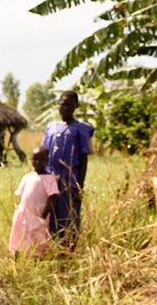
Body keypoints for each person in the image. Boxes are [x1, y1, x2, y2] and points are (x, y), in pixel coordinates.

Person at [41, 90, 94, 247]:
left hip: (69, 178)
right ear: (58, 104)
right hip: (50, 176)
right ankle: (48, 247)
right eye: (63, 104)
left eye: (70, 105)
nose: (66, 108)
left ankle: (68, 249)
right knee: (49, 213)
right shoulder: (51, 127)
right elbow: (43, 154)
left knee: (68, 213)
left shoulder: (80, 129)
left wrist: (79, 186)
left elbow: (83, 158)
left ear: (76, 106)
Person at [9, 146, 60, 257]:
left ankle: (37, 260)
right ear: (30, 160)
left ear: (47, 160)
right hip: (23, 214)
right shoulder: (27, 177)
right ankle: (17, 259)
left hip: (38, 215)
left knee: (37, 237)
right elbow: (22, 196)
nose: (38, 162)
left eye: (41, 159)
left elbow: (53, 198)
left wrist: (43, 216)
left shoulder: (49, 178)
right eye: (34, 159)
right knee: (19, 234)